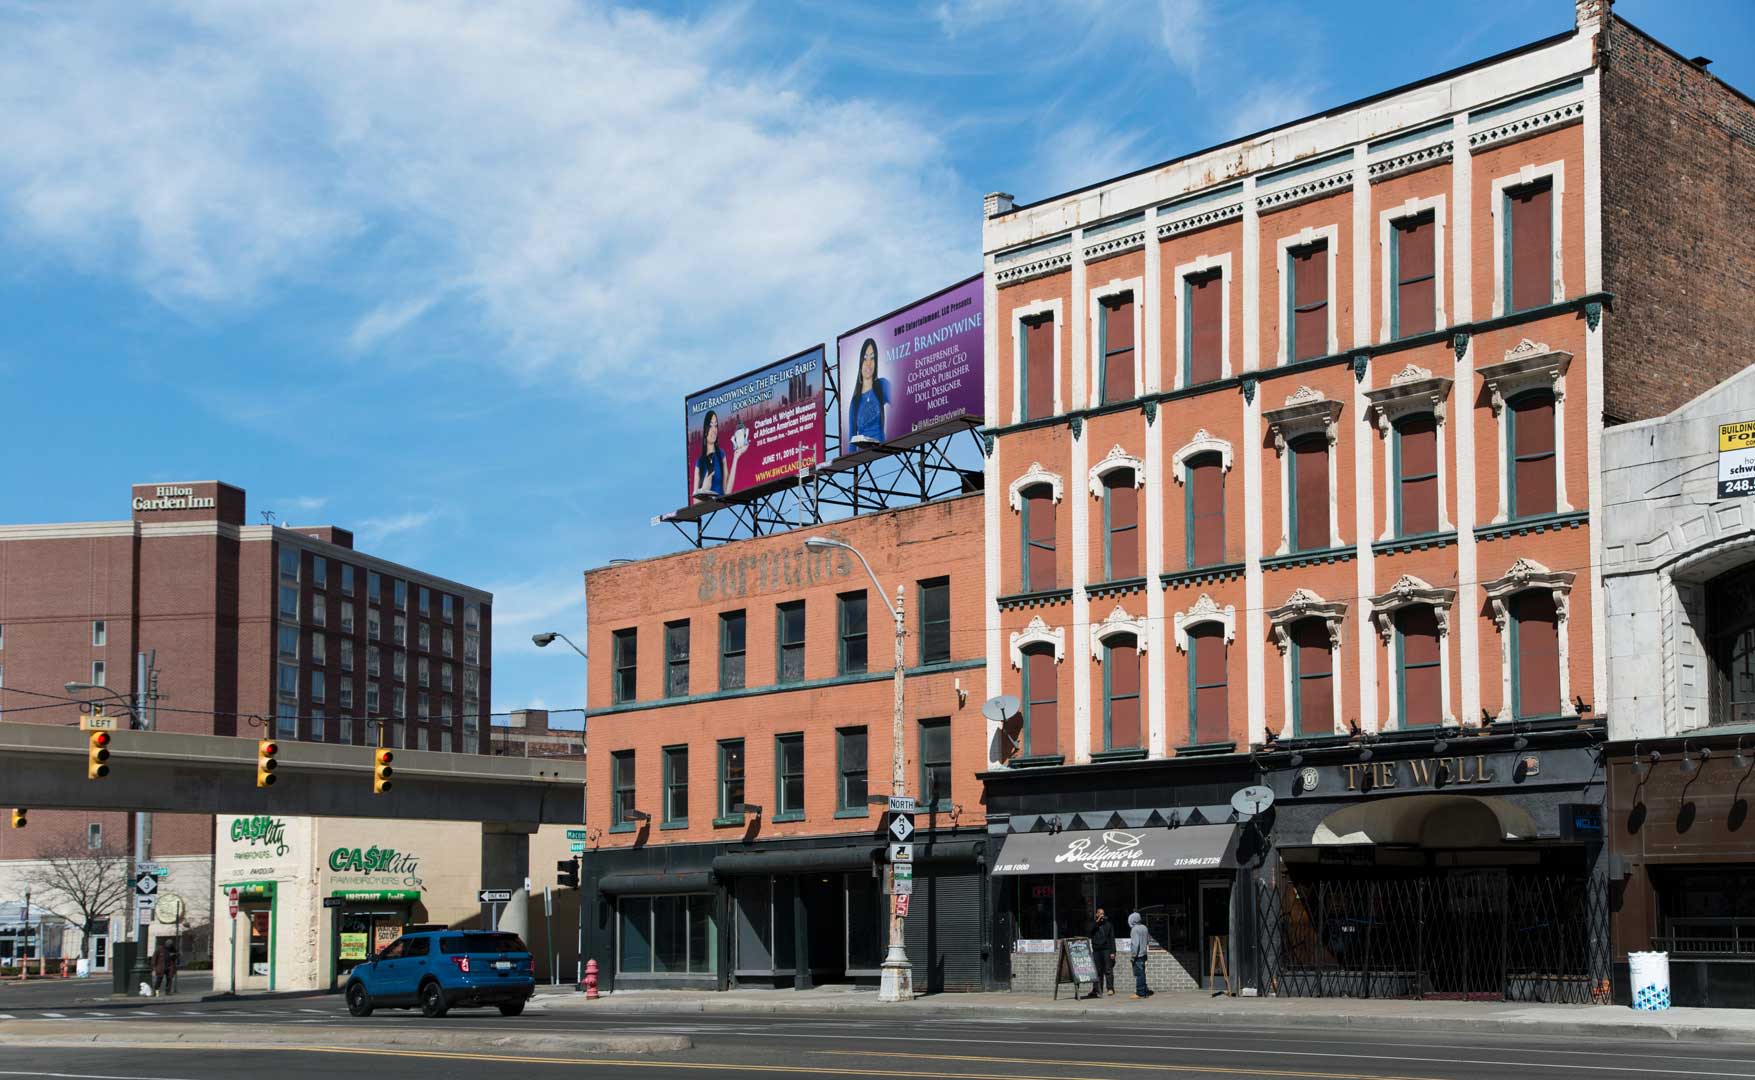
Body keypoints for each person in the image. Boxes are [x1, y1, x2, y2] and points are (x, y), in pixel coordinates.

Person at [692, 409, 749, 501]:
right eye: (710, 426)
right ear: (705, 429)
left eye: (716, 426)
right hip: (706, 508)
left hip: (722, 506)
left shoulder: (721, 455)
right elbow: (695, 504)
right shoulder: (699, 463)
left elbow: (727, 492)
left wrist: (736, 458)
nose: (714, 430)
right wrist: (704, 489)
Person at [848, 338, 889, 446]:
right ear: (860, 362)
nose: (869, 363)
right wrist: (852, 461)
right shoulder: (855, 402)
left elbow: (903, 402)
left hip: (883, 448)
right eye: (865, 358)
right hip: (863, 454)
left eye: (872, 358)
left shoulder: (882, 385)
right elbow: (851, 440)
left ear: (876, 362)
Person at [1088, 908, 1115, 998]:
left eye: (1103, 913)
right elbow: (1088, 931)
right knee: (1097, 971)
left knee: (1108, 970)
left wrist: (1113, 952)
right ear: (1096, 914)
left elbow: (1112, 939)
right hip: (1096, 950)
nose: (1102, 915)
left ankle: (1110, 988)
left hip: (1106, 949)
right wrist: (1097, 922)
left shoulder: (1108, 925)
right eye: (1100, 913)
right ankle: (1097, 989)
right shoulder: (1093, 924)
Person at [1128, 911, 1152, 998]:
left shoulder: (1134, 929)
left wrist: (1133, 956)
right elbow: (1147, 940)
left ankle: (1140, 992)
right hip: (1144, 953)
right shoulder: (1144, 927)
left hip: (1138, 955)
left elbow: (1135, 944)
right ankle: (1144, 990)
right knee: (1142, 973)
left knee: (1139, 974)